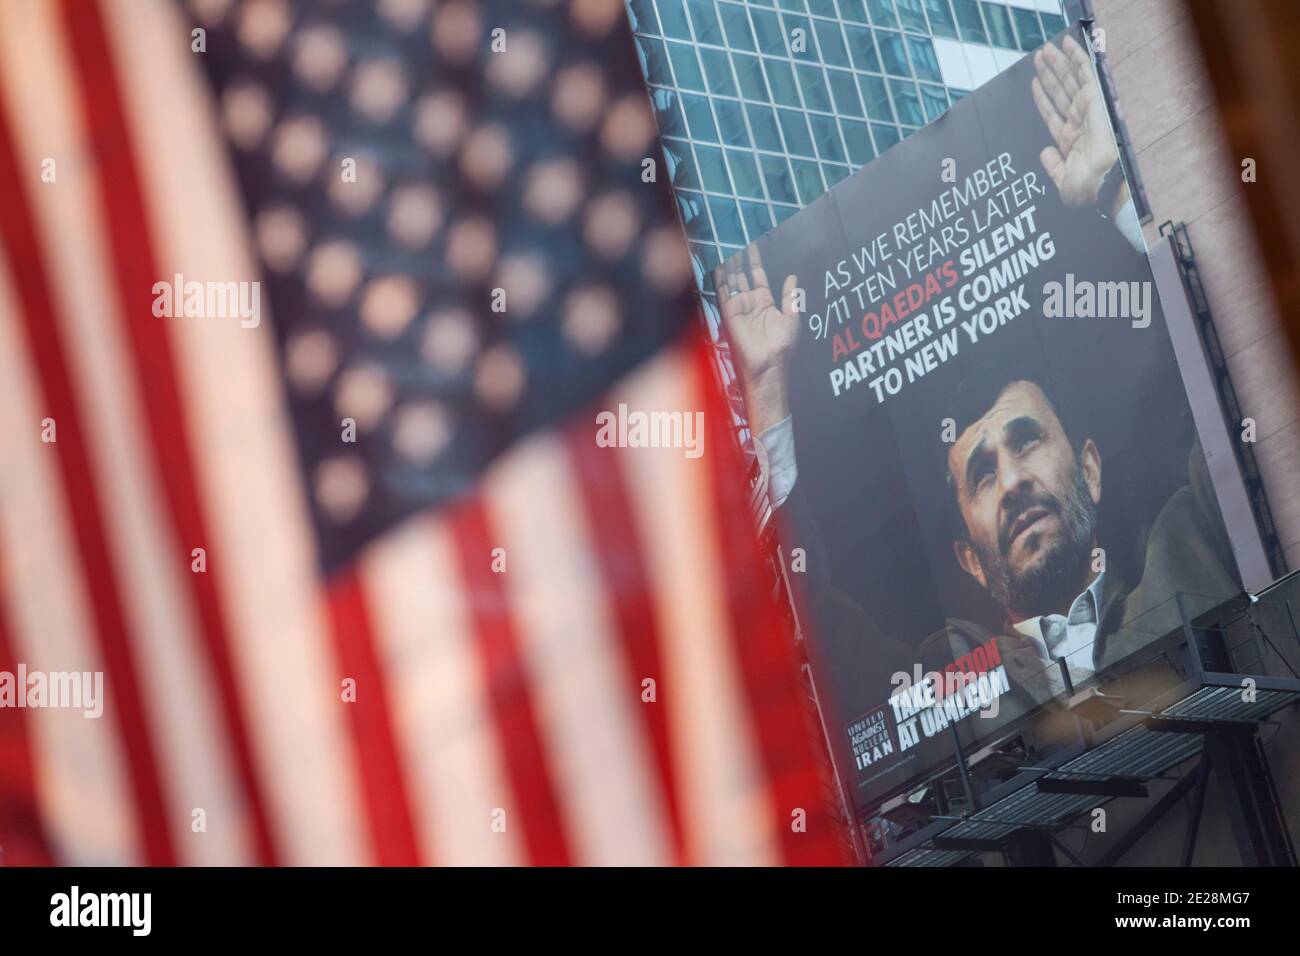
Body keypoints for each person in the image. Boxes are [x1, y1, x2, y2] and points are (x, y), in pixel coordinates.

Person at [714, 35, 1239, 747]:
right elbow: (818, 634)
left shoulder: (1190, 544)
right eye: (982, 474)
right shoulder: (946, 674)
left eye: (1027, 441)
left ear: (1088, 466)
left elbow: (1236, 383)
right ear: (968, 558)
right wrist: (770, 397)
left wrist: (1116, 193)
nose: (1014, 480)